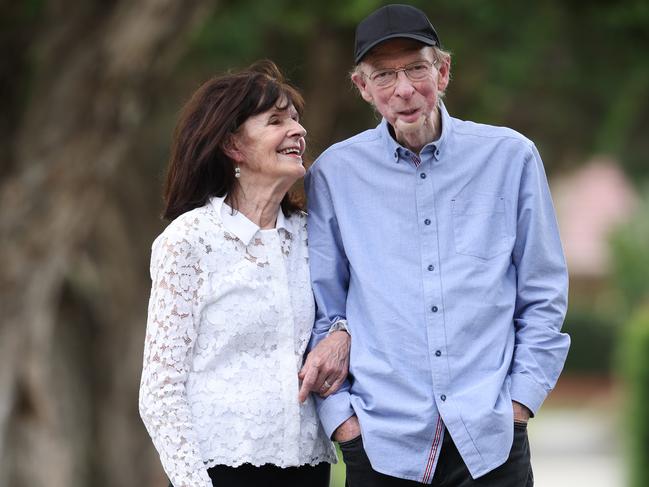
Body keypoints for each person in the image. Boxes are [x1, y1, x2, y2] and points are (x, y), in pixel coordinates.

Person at [302, 4, 570, 486]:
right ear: (362, 87)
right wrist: (343, 423)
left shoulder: (511, 158)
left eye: (416, 69)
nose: (403, 89)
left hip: (491, 441)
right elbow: (324, 309)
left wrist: (519, 403)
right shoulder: (334, 175)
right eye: (384, 75)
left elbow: (543, 292)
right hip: (382, 446)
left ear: (442, 72)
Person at [138, 60, 350, 487]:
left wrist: (342, 334)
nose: (298, 131)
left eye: (295, 119)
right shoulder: (190, 241)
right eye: (276, 120)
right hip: (221, 472)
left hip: (311, 469)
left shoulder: (314, 236)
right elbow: (160, 390)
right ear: (233, 145)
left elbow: (354, 310)